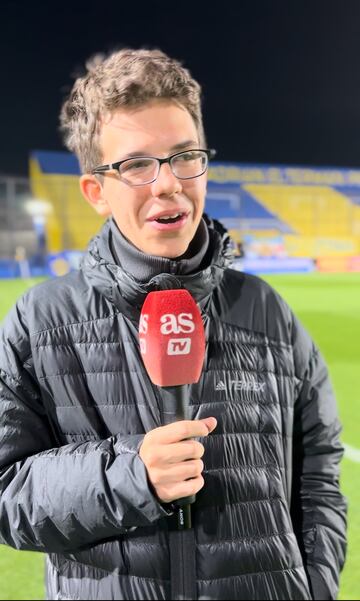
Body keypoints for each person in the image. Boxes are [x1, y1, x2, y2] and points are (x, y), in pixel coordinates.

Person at [0, 48, 347, 601]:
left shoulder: (267, 311)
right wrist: (129, 475)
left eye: (185, 155)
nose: (167, 184)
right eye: (137, 164)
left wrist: (314, 586)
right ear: (96, 191)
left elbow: (319, 474)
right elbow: (6, 494)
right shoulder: (40, 323)